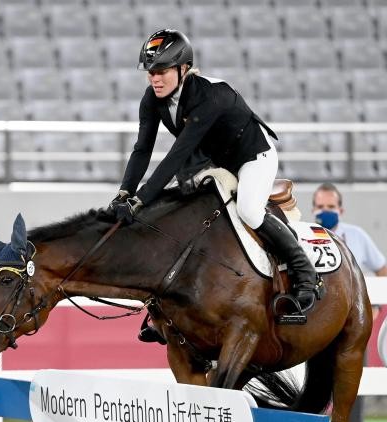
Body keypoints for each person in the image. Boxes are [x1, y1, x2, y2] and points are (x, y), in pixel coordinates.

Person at [109, 29, 323, 343]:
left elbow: (176, 154)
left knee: (249, 210)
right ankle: (166, 308)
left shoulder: (207, 95)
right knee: (182, 212)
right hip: (211, 160)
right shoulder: (152, 100)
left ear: (183, 69)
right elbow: (142, 149)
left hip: (252, 158)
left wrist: (140, 199)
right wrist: (124, 192)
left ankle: (306, 275)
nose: (155, 79)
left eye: (162, 71)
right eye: (151, 73)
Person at [312, 182, 387, 422]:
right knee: (315, 397)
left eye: (330, 207)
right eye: (320, 206)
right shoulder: (307, 235)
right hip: (315, 333)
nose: (325, 211)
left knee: (351, 397)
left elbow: (383, 269)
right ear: (313, 209)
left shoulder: (356, 237)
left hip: (349, 333)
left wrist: (375, 308)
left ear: (341, 209)